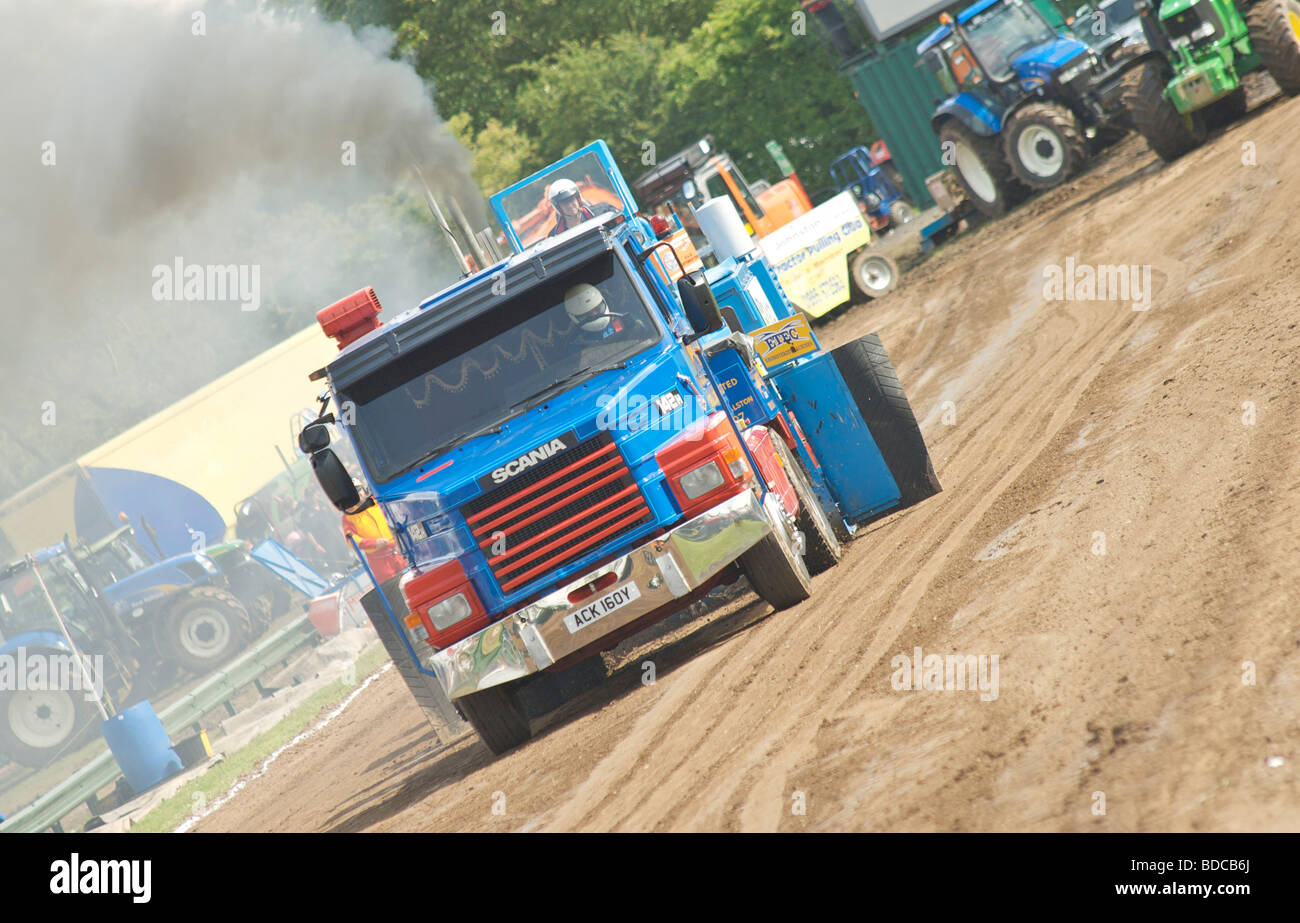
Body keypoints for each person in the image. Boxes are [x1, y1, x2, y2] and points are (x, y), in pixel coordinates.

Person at [548, 179, 617, 237]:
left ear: (578, 199)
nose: (569, 205)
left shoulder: (604, 210)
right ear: (558, 207)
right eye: (564, 203)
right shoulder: (554, 236)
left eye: (571, 200)